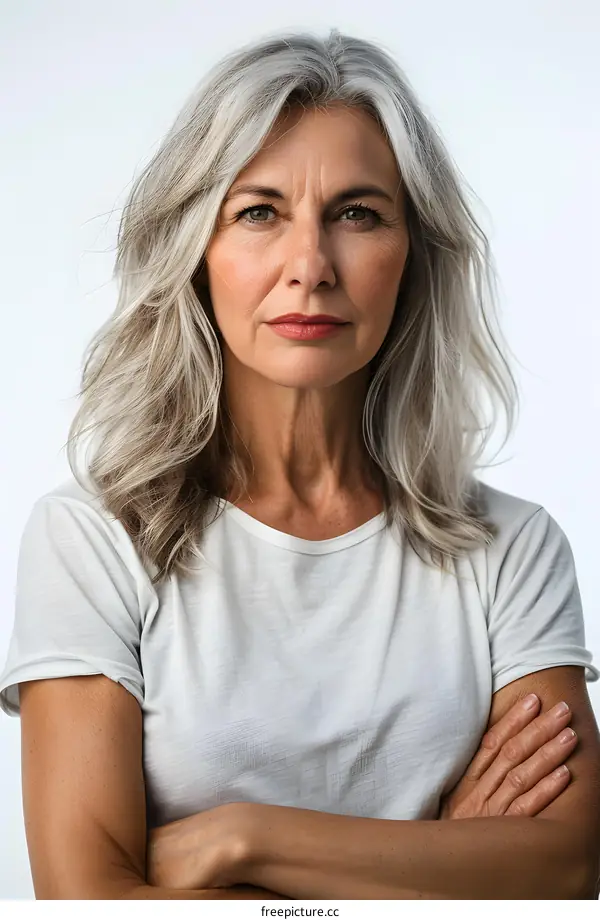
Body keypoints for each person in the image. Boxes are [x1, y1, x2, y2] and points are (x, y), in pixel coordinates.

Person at [1, 28, 599, 900]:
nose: (310, 268)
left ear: (414, 255)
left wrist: (240, 841)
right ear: (195, 252)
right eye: (259, 212)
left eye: (357, 213)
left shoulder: (512, 548)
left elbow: (570, 865)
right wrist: (439, 857)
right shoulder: (93, 540)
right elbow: (92, 904)